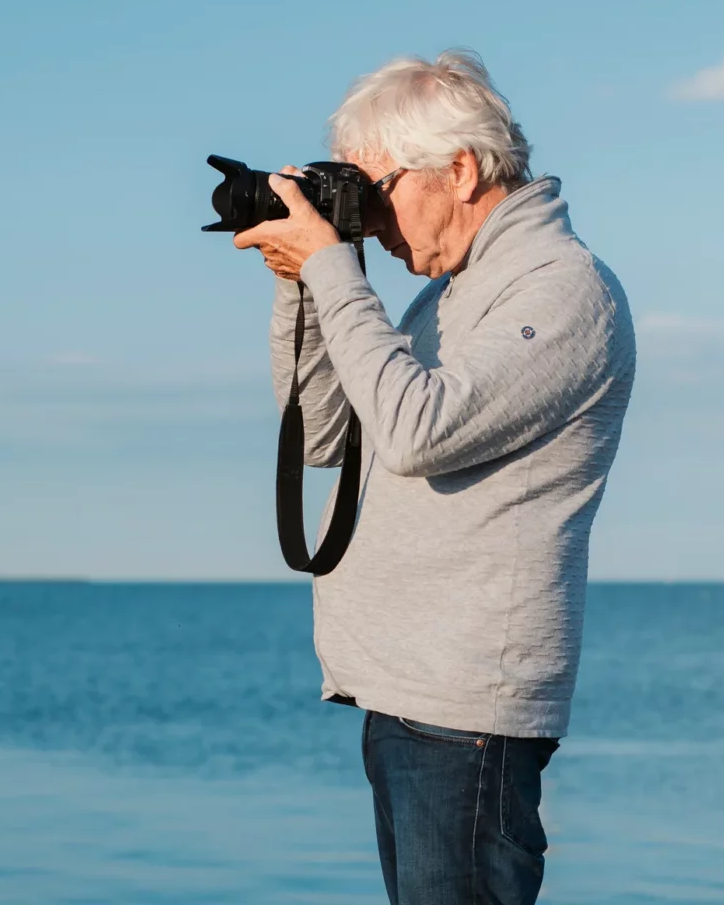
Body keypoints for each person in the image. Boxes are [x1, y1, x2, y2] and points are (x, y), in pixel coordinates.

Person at [233, 49, 636, 905]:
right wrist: (305, 287)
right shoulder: (451, 292)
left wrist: (336, 271)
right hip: (408, 695)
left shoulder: (563, 290)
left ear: (458, 169)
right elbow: (325, 435)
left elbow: (418, 430)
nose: (371, 222)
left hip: (469, 709)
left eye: (378, 191)